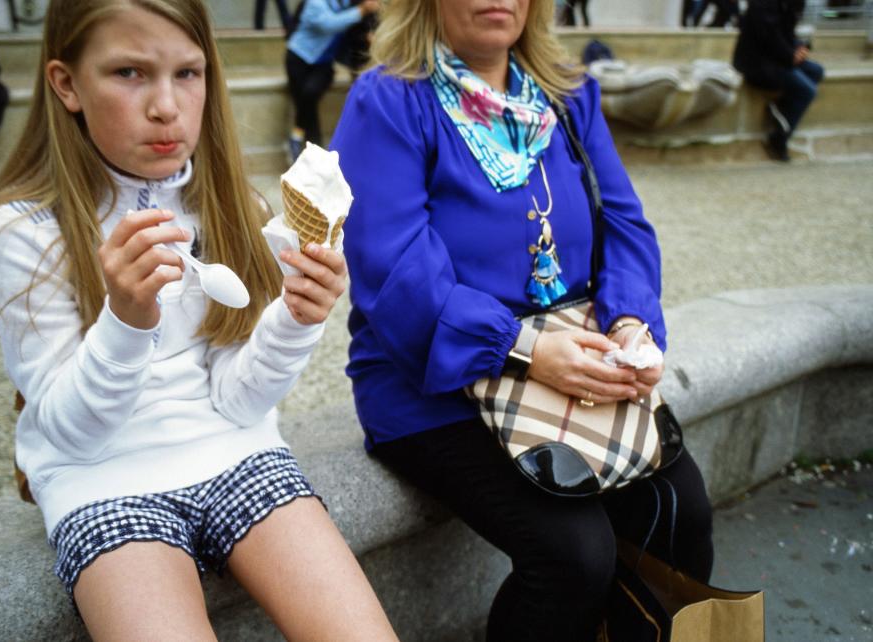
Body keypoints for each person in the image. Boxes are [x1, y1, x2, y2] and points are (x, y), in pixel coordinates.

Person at [0, 1, 398, 639]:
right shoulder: (22, 231)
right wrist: (128, 322)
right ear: (65, 83)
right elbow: (68, 436)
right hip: (100, 478)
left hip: (238, 450)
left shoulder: (231, 205)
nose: (165, 106)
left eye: (187, 73)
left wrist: (295, 320)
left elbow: (239, 401)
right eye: (129, 73)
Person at [330, 1, 714, 640]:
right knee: (573, 556)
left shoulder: (568, 95)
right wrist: (523, 348)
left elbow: (623, 223)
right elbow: (393, 269)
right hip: (435, 381)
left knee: (681, 512)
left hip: (573, 355)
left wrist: (629, 325)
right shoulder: (389, 102)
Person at [284, 0, 379, 160]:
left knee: (309, 93)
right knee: (308, 103)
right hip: (298, 58)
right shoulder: (316, 3)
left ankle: (297, 136)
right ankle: (315, 154)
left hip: (324, 65)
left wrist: (371, 34)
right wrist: (360, 11)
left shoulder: (349, 4)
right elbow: (328, 24)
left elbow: (359, 30)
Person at [733, 0, 823, 162]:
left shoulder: (787, 4)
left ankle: (781, 114)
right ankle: (778, 139)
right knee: (807, 91)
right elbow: (768, 37)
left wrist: (798, 48)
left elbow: (786, 33)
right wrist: (791, 55)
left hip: (776, 58)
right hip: (757, 63)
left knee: (816, 71)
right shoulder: (763, 5)